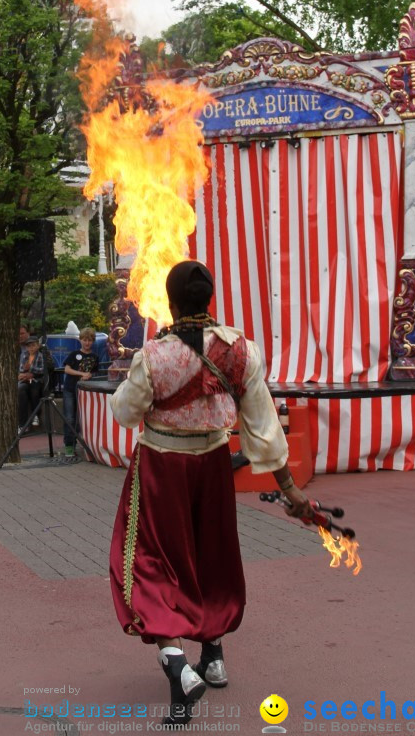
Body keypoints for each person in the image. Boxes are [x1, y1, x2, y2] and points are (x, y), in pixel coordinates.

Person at [109, 260, 312, 727]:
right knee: (210, 554)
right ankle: (214, 656)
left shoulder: (155, 355)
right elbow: (262, 425)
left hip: (162, 465)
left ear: (173, 303)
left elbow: (124, 413)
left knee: (148, 560)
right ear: (209, 300)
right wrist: (289, 488)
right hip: (215, 464)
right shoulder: (242, 349)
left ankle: (179, 666)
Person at [62, 327, 99, 458]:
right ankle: (68, 445)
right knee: (69, 417)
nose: (87, 343)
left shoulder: (95, 357)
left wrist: (89, 376)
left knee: (80, 419)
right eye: (84, 340)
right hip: (70, 389)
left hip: (84, 392)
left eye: (89, 340)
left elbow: (95, 373)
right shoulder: (74, 354)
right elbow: (67, 369)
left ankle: (79, 444)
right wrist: (82, 373)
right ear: (80, 340)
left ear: (93, 341)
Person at [18, 336, 47, 431]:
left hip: (36, 380)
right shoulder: (24, 355)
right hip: (25, 379)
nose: (31, 348)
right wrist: (26, 372)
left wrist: (30, 370)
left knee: (34, 391)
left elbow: (42, 369)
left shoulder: (40, 355)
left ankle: (35, 415)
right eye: (29, 346)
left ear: (38, 346)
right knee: (20, 391)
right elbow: (21, 369)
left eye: (33, 345)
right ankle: (22, 424)